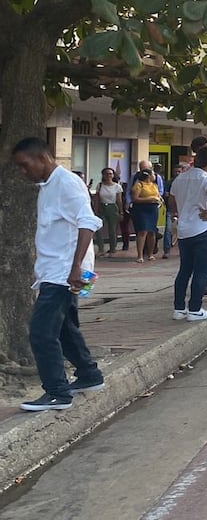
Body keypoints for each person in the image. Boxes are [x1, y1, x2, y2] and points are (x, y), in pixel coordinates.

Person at [12, 138, 105, 412]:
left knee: (41, 333)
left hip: (65, 273)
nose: (23, 172)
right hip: (58, 271)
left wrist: (75, 268)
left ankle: (57, 392)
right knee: (65, 328)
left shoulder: (66, 184)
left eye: (25, 165)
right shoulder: (48, 186)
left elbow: (88, 222)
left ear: (42, 158)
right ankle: (89, 375)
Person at [169, 146, 207, 322]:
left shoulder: (180, 178)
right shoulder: (206, 178)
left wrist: (177, 213)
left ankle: (178, 308)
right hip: (203, 228)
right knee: (201, 270)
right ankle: (195, 308)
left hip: (184, 230)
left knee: (184, 270)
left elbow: (171, 199)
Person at [130, 168, 162, 262]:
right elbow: (135, 198)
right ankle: (140, 255)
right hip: (142, 209)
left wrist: (158, 199)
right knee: (142, 231)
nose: (154, 176)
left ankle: (150, 254)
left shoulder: (154, 185)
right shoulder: (139, 185)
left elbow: (158, 195)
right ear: (148, 175)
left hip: (153, 209)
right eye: (153, 174)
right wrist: (150, 199)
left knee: (152, 231)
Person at [93, 167, 123, 256]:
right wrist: (96, 210)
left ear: (113, 175)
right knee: (98, 229)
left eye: (110, 174)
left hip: (112, 207)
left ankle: (113, 249)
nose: (108, 175)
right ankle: (101, 249)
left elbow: (119, 200)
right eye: (106, 174)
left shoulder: (117, 186)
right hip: (102, 207)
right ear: (103, 175)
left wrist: (121, 212)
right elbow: (97, 199)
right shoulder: (100, 185)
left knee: (112, 230)